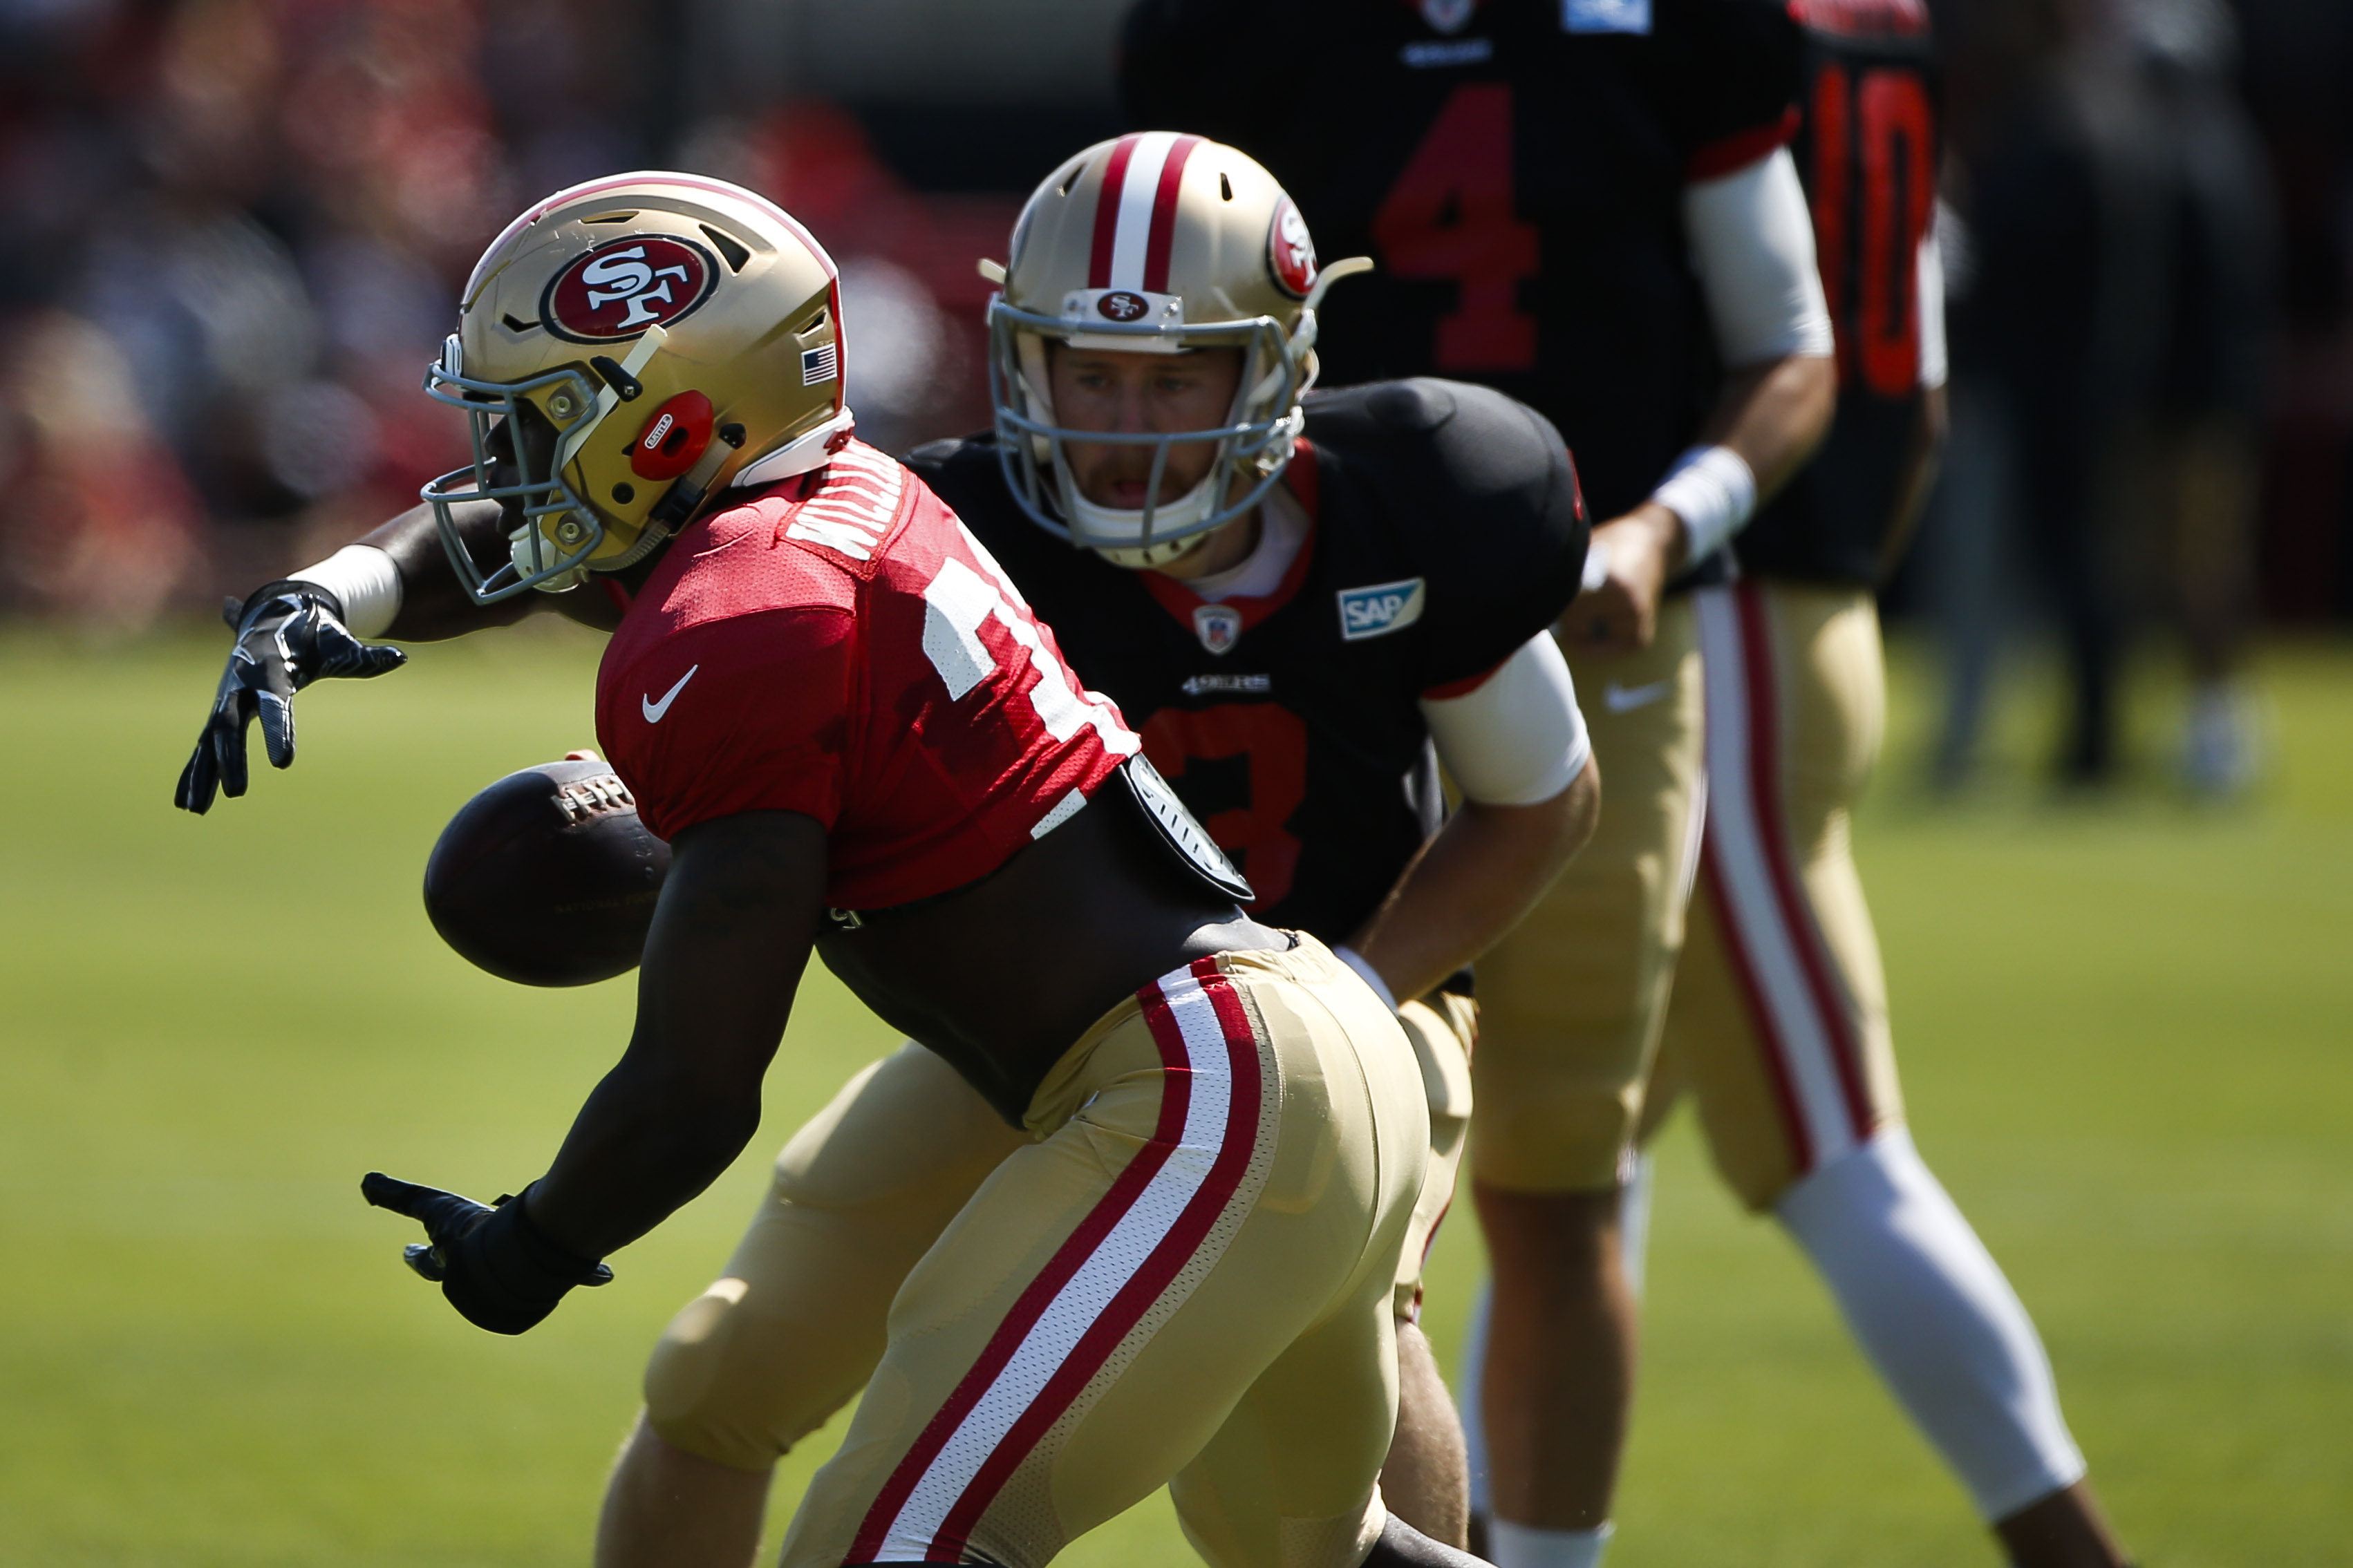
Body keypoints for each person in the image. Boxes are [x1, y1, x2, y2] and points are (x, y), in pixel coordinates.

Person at [174, 170, 1483, 1568]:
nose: (510, 461)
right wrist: (330, 595)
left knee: (899, 1545)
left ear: (669, 422)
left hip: (1203, 1088)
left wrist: (531, 1245)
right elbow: (522, 539)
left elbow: (691, 1093)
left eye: (545, 419)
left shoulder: (737, 617)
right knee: (1328, 1554)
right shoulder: (832, 502)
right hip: (1289, 1045)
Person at [1123, 1, 2127, 1565]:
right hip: (1304, 645)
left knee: (1561, 1182)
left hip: (1603, 641)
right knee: (1302, 1177)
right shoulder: (1237, 35)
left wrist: (1662, 530)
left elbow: (1794, 347)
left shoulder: (1681, 32)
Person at [590, 134, 1598, 1567]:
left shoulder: (1411, 502)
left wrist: (1367, 988)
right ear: (1022, 359)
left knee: (1339, 1361)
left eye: (1177, 377)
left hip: (1354, 1006)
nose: (1128, 424)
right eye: (1089, 372)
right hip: (1053, 1021)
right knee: (723, 1369)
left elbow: (1542, 797)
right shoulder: (952, 528)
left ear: (1276, 368)